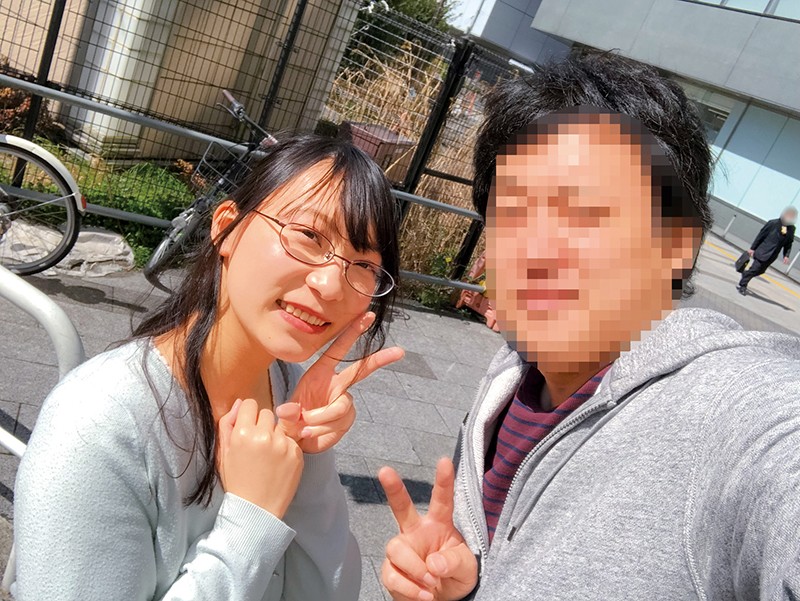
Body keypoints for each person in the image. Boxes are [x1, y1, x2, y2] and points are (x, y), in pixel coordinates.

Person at [378, 51, 800, 601]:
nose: (536, 250)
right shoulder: (511, 377)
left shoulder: (733, 415)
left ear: (676, 244)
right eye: (514, 211)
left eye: (585, 213)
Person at [14, 134, 405, 600]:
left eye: (363, 265)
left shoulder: (287, 386)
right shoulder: (97, 424)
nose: (330, 284)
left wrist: (306, 453)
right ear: (227, 229)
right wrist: (251, 520)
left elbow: (329, 593)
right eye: (308, 236)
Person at [736, 206, 796, 295]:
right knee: (755, 269)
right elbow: (761, 235)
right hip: (762, 251)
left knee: (761, 271)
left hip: (773, 255)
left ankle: (745, 274)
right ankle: (743, 285)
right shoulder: (773, 223)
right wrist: (752, 248)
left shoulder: (791, 229)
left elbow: (789, 243)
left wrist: (786, 255)